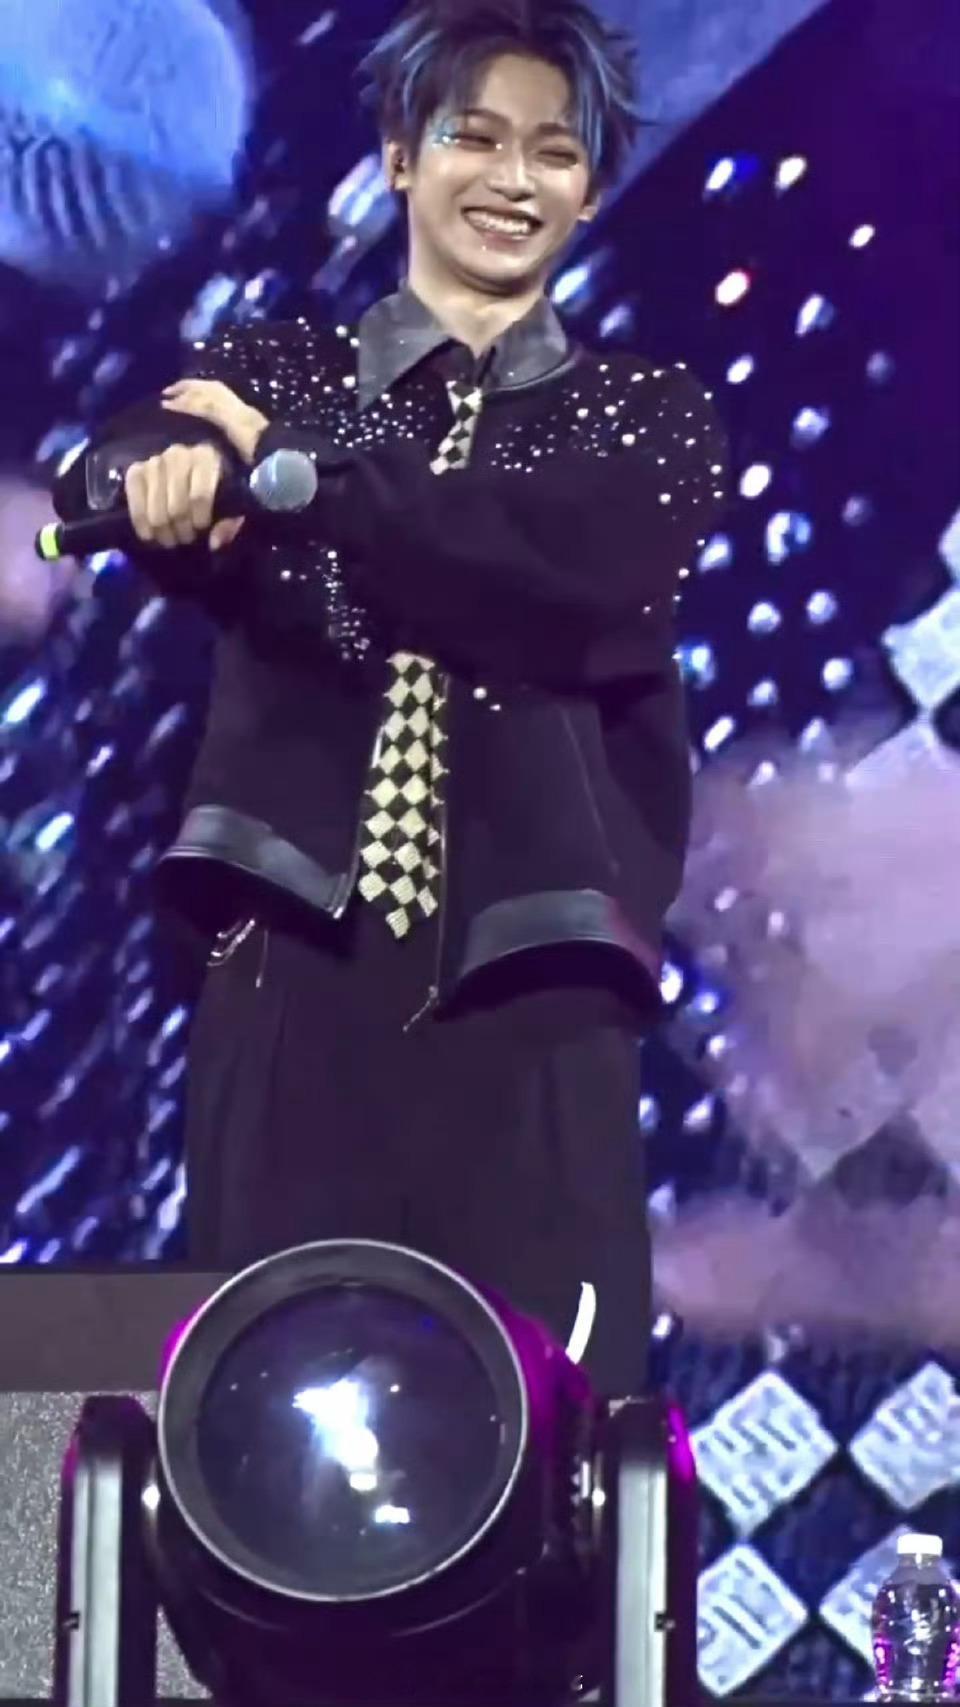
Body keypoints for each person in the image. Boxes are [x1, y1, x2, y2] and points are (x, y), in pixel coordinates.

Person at [51, 0, 726, 1395]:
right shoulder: (279, 369)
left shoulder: (642, 419)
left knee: (545, 1406)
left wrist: (297, 478)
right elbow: (129, 458)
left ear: (591, 189)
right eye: (475, 138)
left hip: (536, 974)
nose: (512, 179)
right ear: (403, 157)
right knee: (253, 1391)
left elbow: (553, 563)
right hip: (289, 954)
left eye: (553, 151)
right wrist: (155, 478)